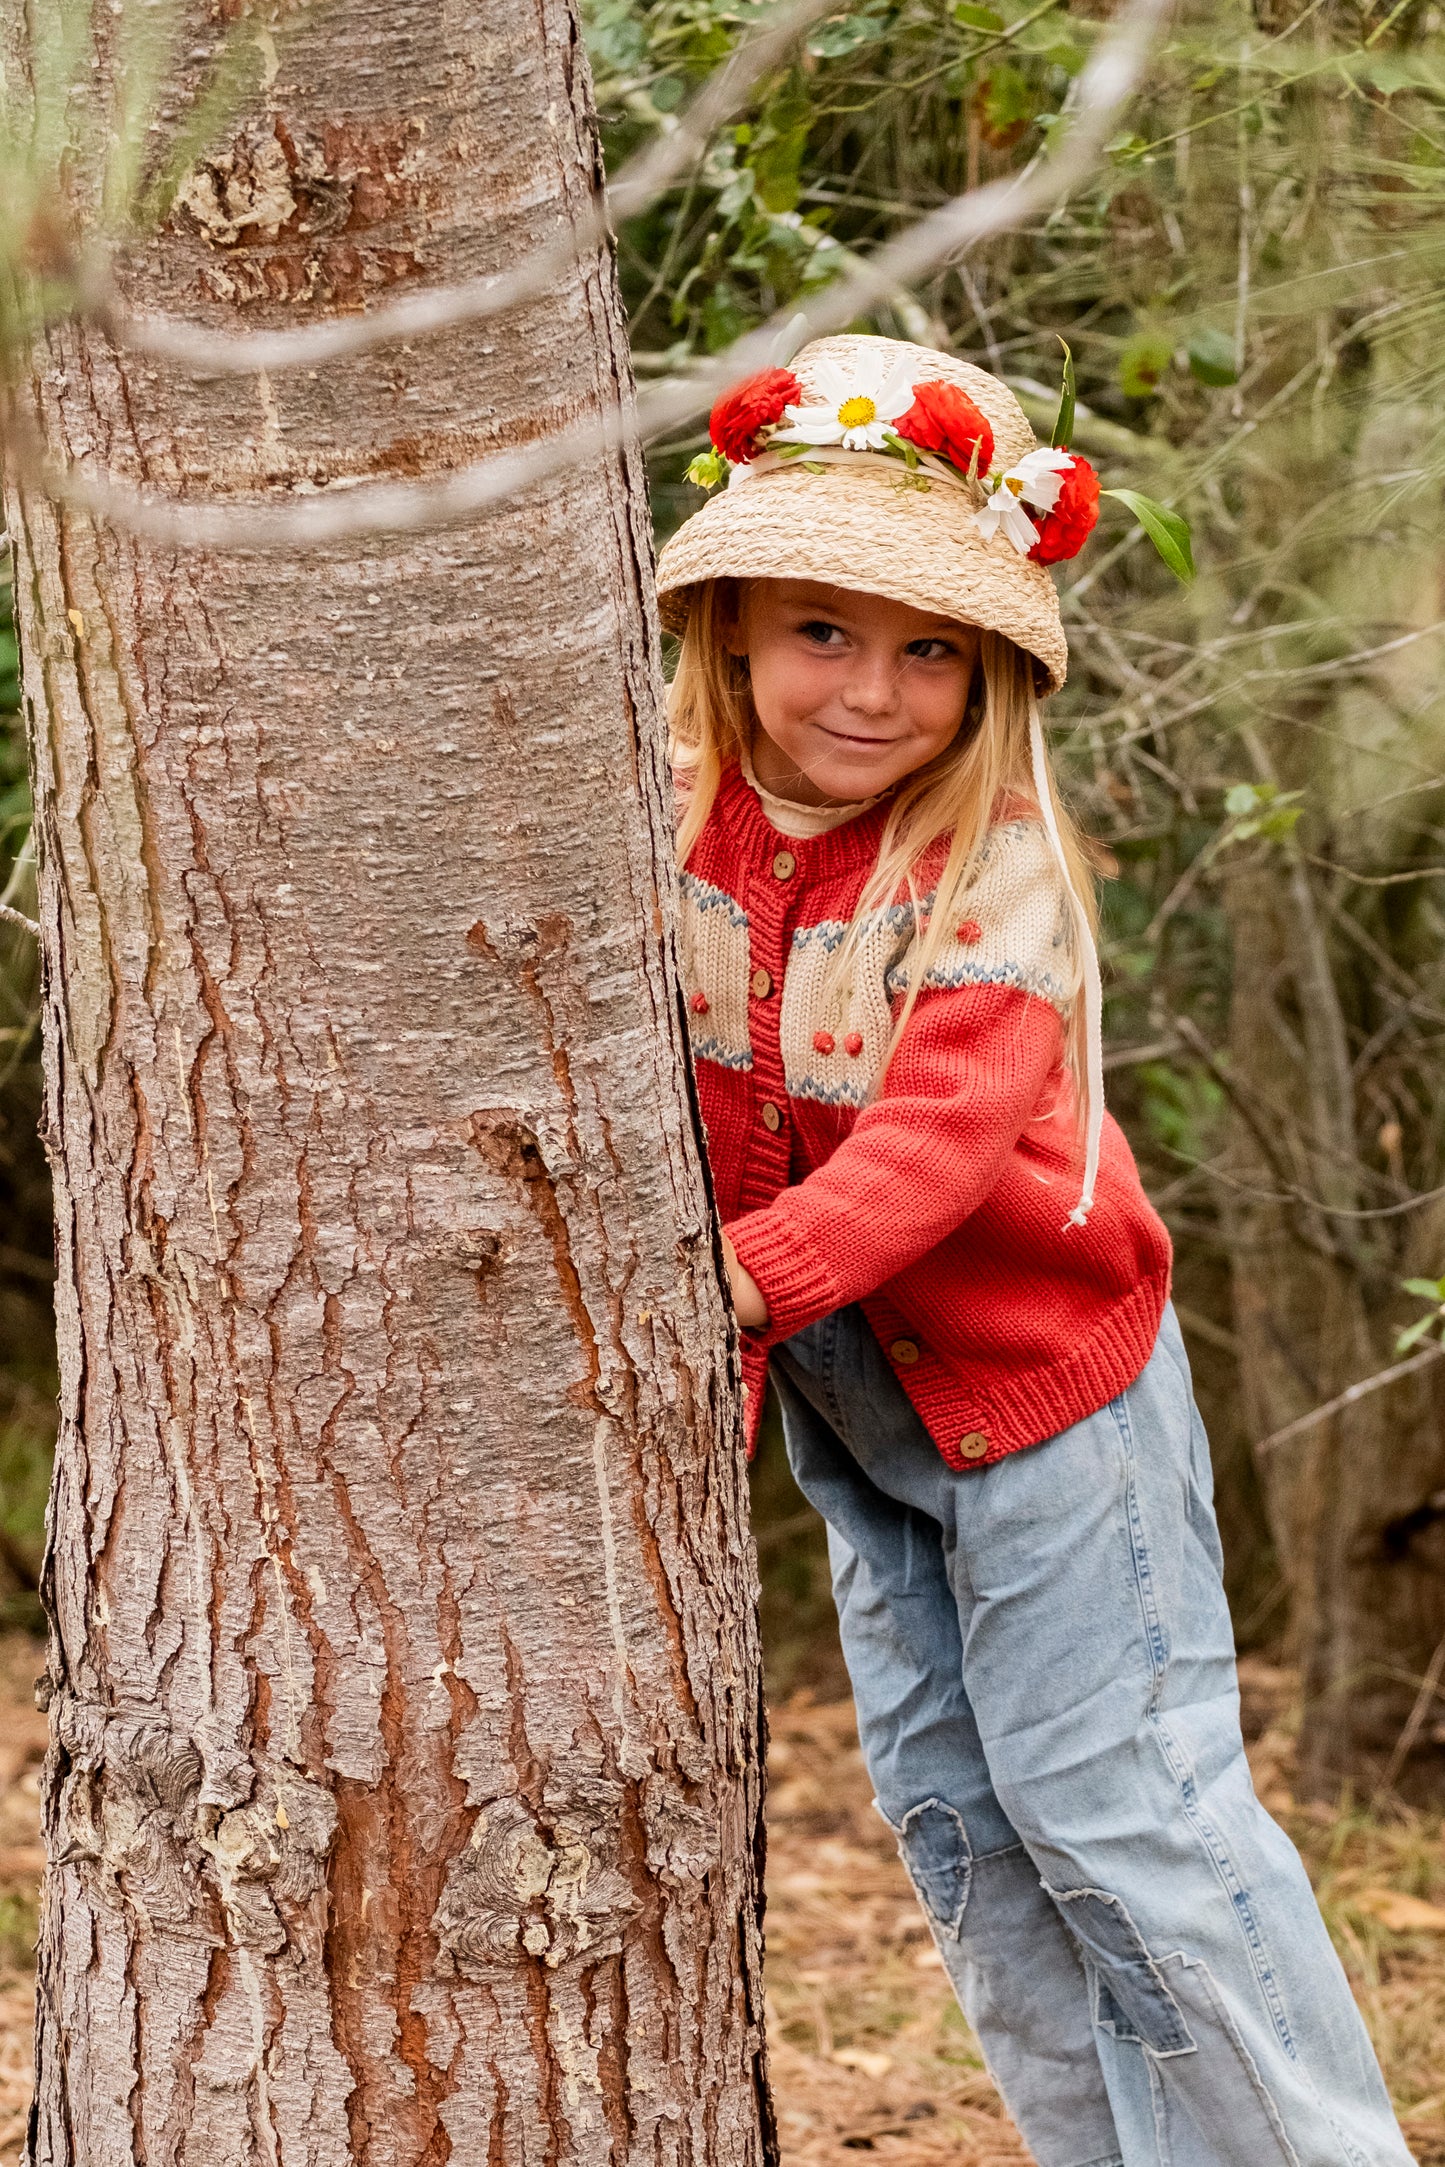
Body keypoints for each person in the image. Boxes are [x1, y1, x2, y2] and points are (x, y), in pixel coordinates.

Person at [654, 334, 1413, 2167]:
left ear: (989, 668)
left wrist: (732, 1286)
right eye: (825, 630)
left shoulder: (989, 862)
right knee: (957, 1820)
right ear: (737, 619)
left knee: (1120, 1805)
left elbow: (931, 1143)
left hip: (1048, 1388)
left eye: (930, 650)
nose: (873, 688)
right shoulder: (660, 816)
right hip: (860, 1404)